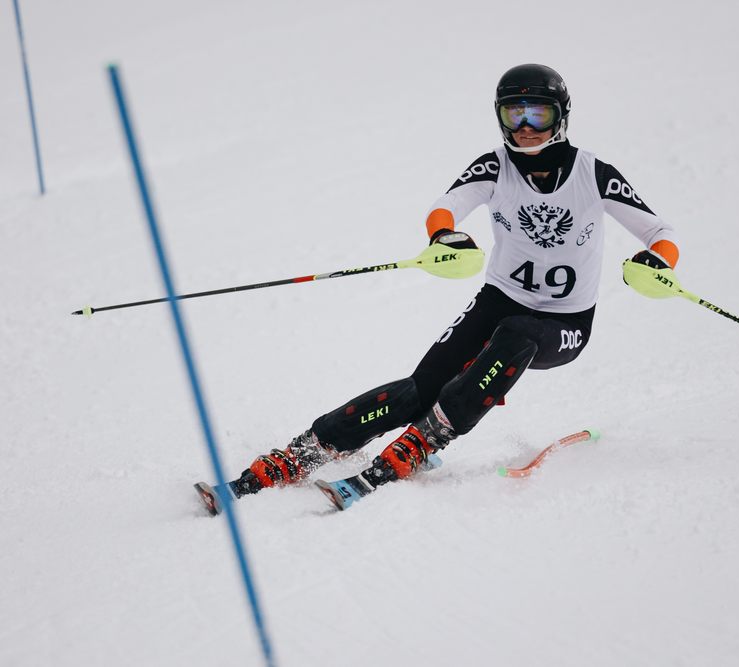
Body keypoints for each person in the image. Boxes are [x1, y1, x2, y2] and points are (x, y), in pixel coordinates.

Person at [214, 63, 681, 507]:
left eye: (538, 114)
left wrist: (659, 259)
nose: (525, 127)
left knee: (516, 334)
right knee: (420, 389)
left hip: (566, 322)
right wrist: (443, 235)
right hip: (499, 300)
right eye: (513, 114)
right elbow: (445, 207)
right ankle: (303, 452)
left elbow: (660, 232)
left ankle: (420, 445)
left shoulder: (593, 173)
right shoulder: (496, 166)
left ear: (561, 117)